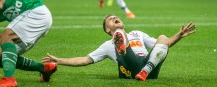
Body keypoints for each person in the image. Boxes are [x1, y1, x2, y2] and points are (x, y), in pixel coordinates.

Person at [42, 15, 196, 82]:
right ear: (108, 31)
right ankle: (134, 63)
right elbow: (85, 60)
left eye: (115, 16)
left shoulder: (138, 33)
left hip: (149, 69)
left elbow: (162, 47)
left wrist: (179, 35)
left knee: (162, 38)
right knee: (121, 36)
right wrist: (59, 60)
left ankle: (145, 70)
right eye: (110, 19)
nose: (114, 17)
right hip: (131, 69)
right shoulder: (108, 45)